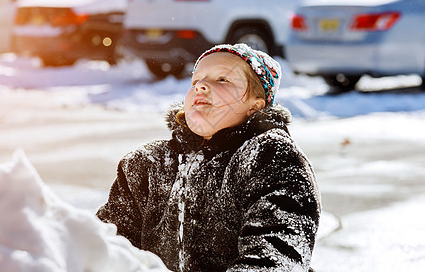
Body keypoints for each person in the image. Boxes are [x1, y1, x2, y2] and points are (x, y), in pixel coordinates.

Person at [96, 43, 321, 272]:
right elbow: (105, 249)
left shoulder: (270, 155)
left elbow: (275, 258)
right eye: (195, 81)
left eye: (222, 79)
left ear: (256, 105)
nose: (201, 86)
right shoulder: (146, 163)